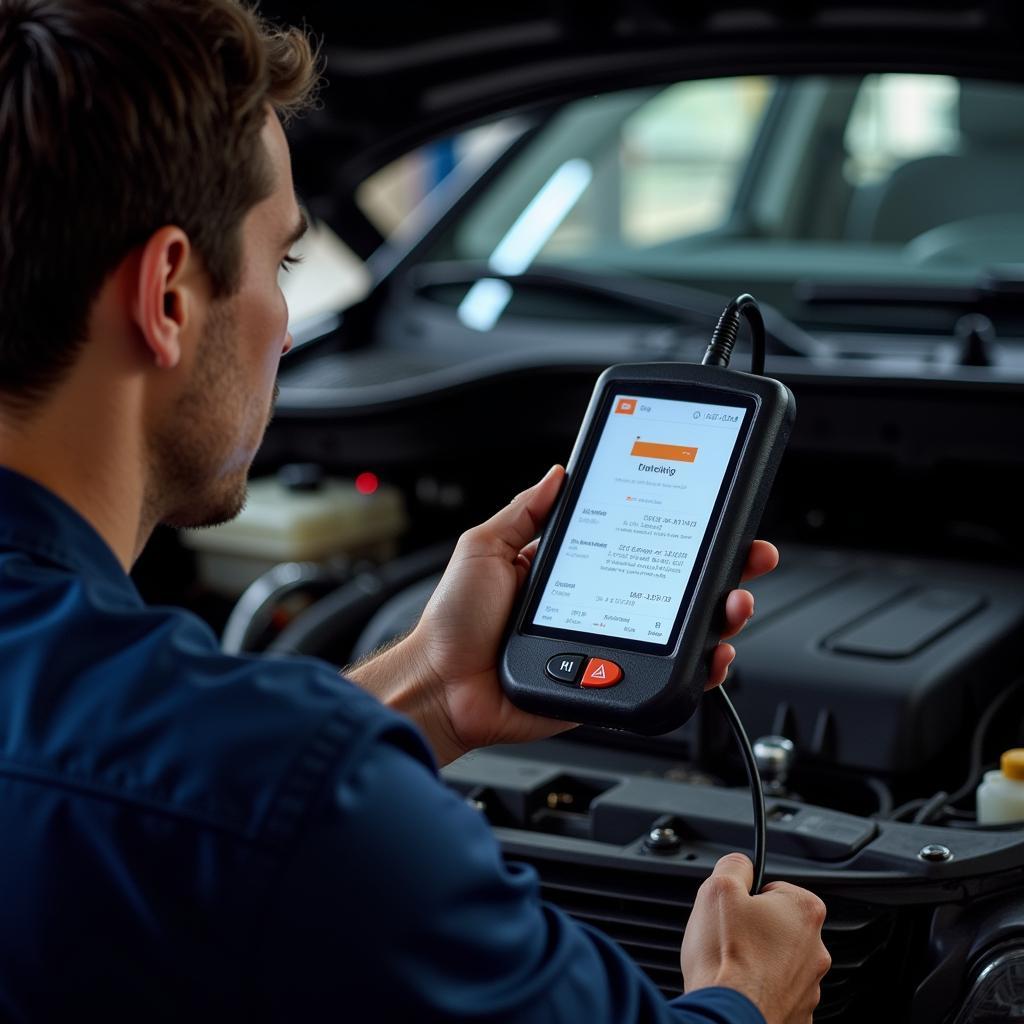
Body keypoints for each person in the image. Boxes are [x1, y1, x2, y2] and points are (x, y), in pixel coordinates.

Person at [0, 1, 830, 1021]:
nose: (287, 328)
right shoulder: (295, 796)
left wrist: (431, 687)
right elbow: (251, 802)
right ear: (168, 294)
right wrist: (749, 996)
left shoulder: (236, 779)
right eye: (283, 263)